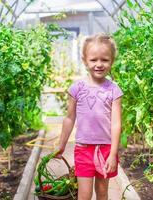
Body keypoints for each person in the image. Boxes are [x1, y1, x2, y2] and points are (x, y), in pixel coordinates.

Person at [56, 33, 123, 200]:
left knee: (102, 192)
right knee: (84, 195)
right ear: (85, 60)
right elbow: (69, 118)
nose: (99, 64)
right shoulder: (76, 88)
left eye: (104, 60)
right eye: (93, 60)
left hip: (106, 150)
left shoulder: (114, 90)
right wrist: (61, 144)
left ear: (112, 61)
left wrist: (113, 153)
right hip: (83, 149)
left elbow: (116, 123)